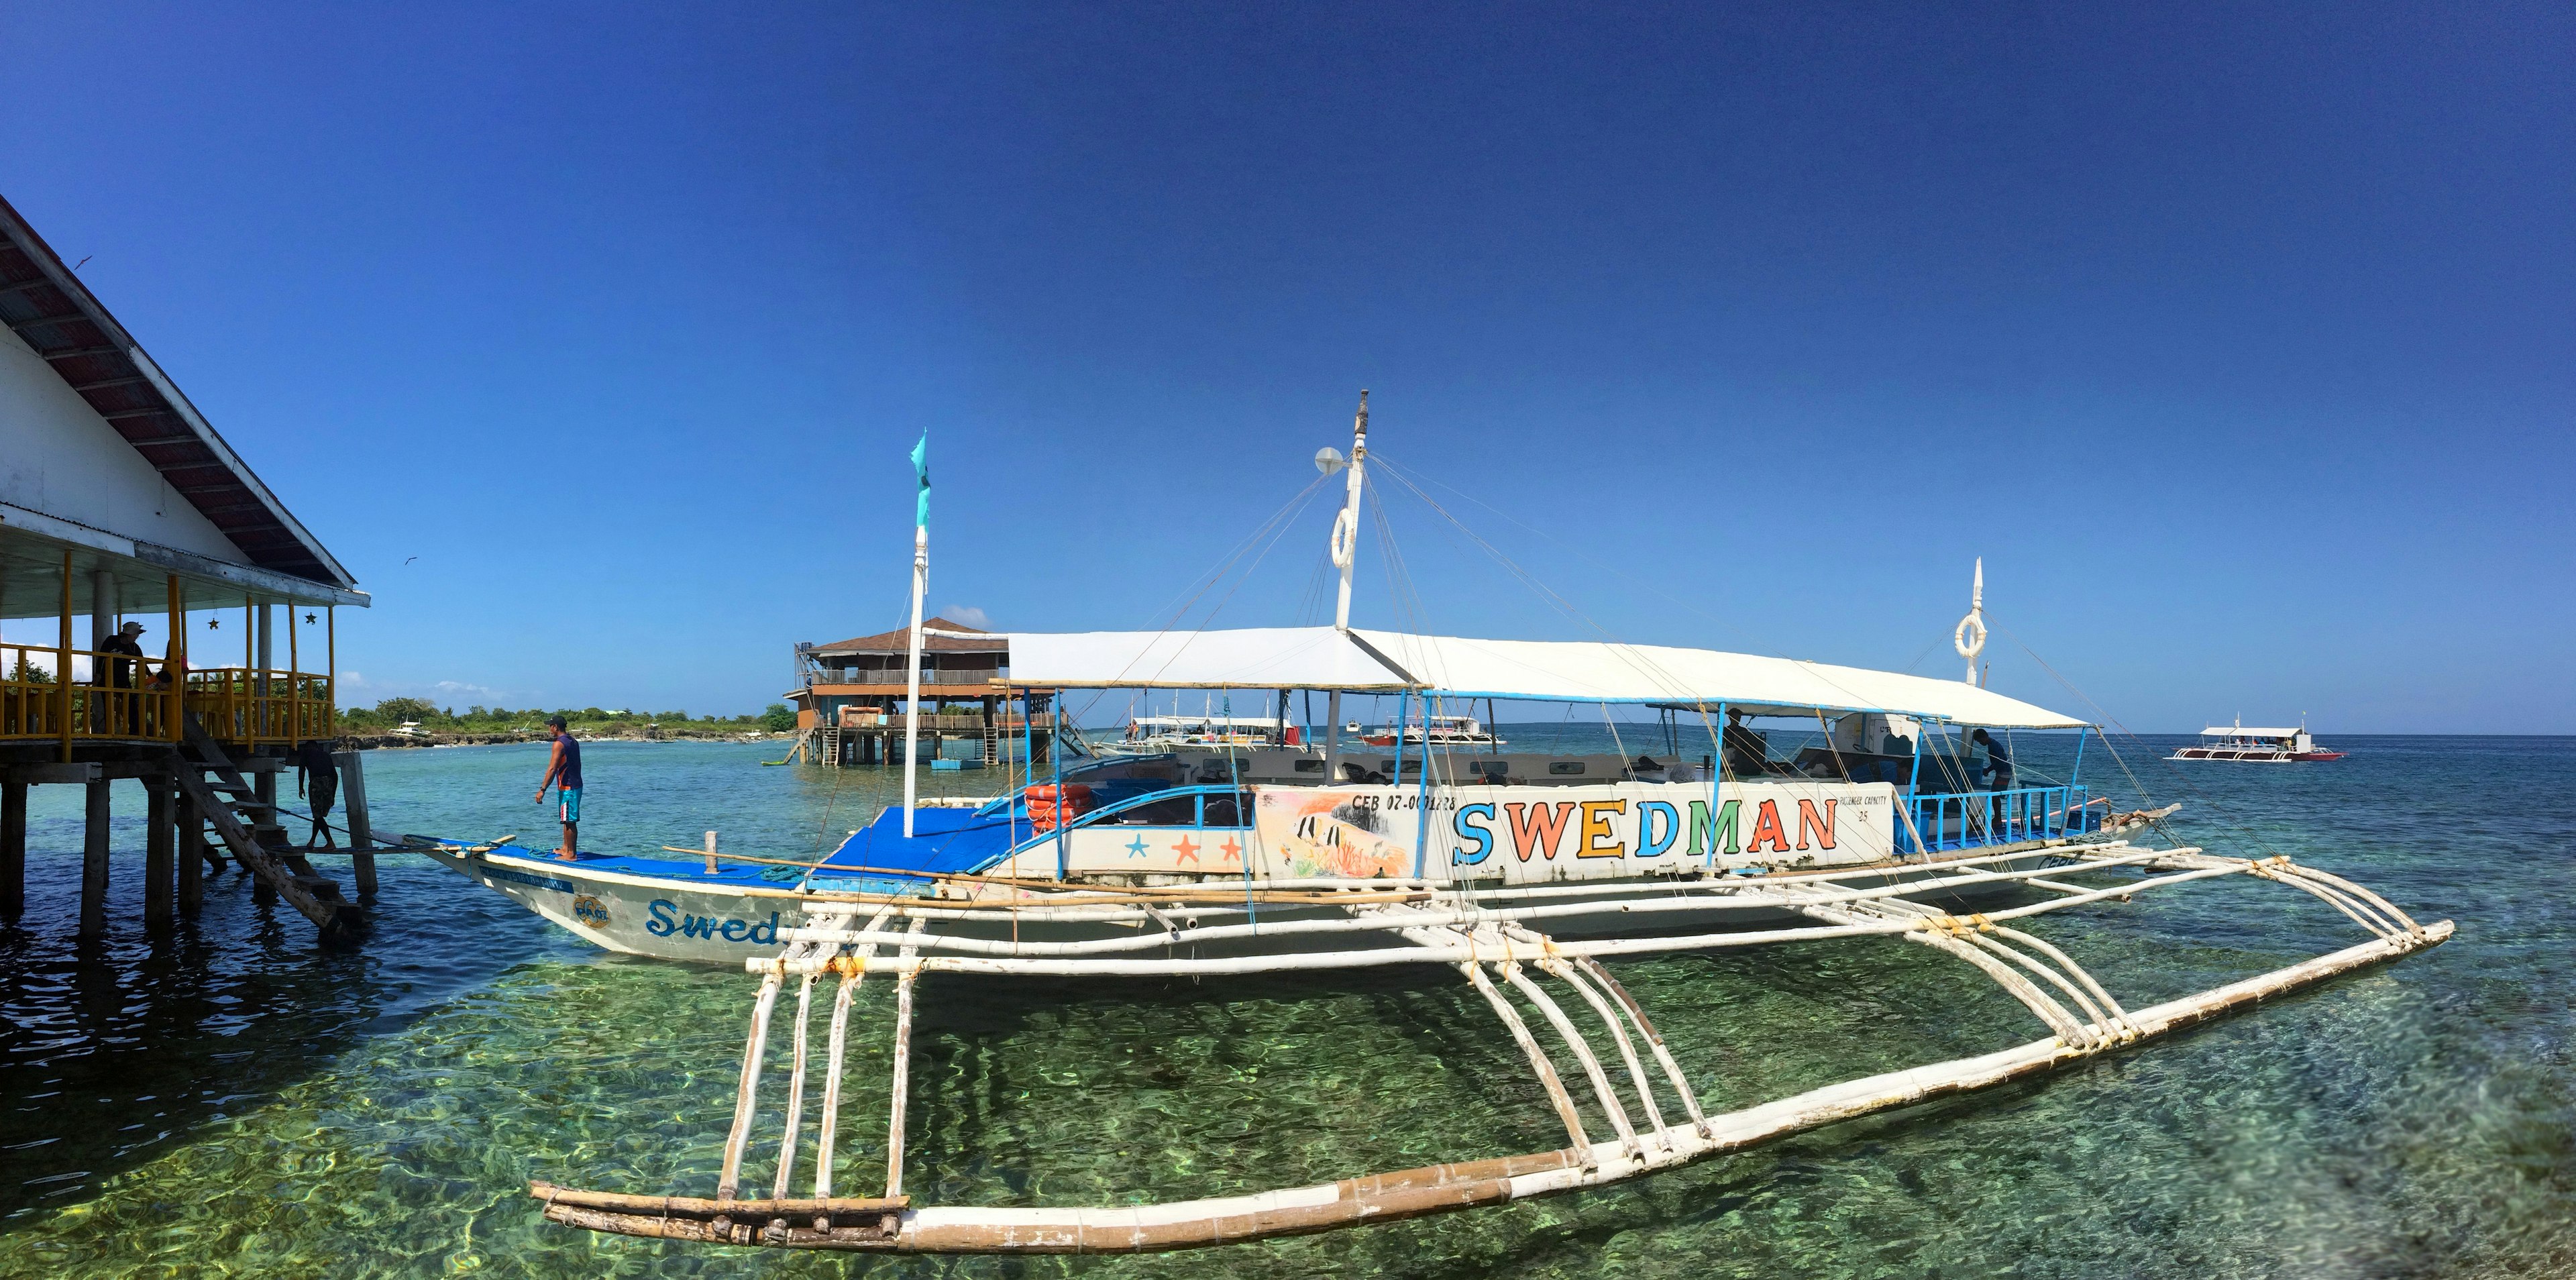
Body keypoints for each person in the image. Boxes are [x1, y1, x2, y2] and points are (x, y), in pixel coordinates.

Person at [534, 714, 583, 859]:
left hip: (569, 787)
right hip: (573, 785)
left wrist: (542, 789)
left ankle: (571, 854)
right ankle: (566, 848)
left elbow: (552, 768)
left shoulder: (559, 744)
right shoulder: (572, 741)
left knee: (569, 821)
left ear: (555, 727)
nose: (549, 729)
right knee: (566, 819)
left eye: (550, 726)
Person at [95, 620, 150, 735]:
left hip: (123, 680)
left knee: (131, 705)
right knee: (108, 707)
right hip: (106, 679)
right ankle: (108, 731)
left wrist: (151, 676)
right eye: (135, 634)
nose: (136, 637)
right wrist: (98, 674)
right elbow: (101, 658)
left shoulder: (134, 648)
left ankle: (135, 732)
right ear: (128, 634)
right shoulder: (111, 641)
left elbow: (143, 663)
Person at [293, 739, 338, 848]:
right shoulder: (326, 755)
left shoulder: (306, 754)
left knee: (318, 816)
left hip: (316, 783)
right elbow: (335, 775)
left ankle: (330, 842)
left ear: (307, 748)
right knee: (318, 816)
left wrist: (300, 788)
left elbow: (301, 770)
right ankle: (312, 841)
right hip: (328, 783)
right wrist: (333, 794)